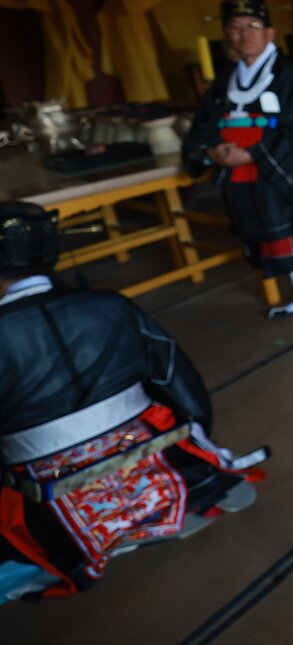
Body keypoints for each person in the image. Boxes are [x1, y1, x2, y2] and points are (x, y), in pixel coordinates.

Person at [0, 202, 266, 599]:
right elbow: (178, 381)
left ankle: (91, 532)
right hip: (149, 453)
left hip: (47, 488)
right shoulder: (112, 305)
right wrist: (193, 438)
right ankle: (171, 492)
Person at [182, 0, 293, 333]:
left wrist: (252, 152)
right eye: (235, 27)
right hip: (249, 180)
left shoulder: (291, 77)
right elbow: (204, 124)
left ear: (269, 32)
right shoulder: (223, 83)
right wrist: (213, 150)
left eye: (253, 25)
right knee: (276, 239)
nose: (243, 34)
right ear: (225, 34)